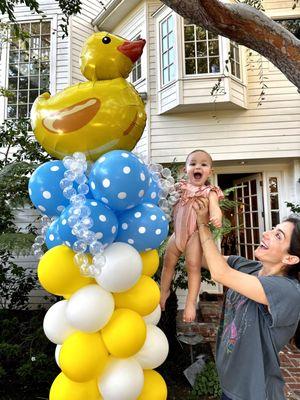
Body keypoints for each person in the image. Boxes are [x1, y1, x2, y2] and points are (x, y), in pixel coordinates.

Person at [193, 197, 300, 400]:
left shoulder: (288, 291)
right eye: (273, 229)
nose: (266, 234)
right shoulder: (249, 267)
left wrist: (202, 223)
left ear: (290, 258)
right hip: (230, 384)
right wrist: (188, 221)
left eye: (278, 236)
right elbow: (203, 259)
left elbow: (220, 274)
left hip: (255, 393)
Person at [160, 149, 224, 322]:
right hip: (177, 235)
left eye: (204, 164)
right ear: (185, 169)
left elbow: (215, 207)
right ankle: (164, 291)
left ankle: (190, 303)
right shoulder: (180, 187)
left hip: (194, 236)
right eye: (193, 163)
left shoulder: (209, 191)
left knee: (193, 267)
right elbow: (165, 195)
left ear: (210, 172)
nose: (198, 167)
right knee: (168, 264)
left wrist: (216, 216)